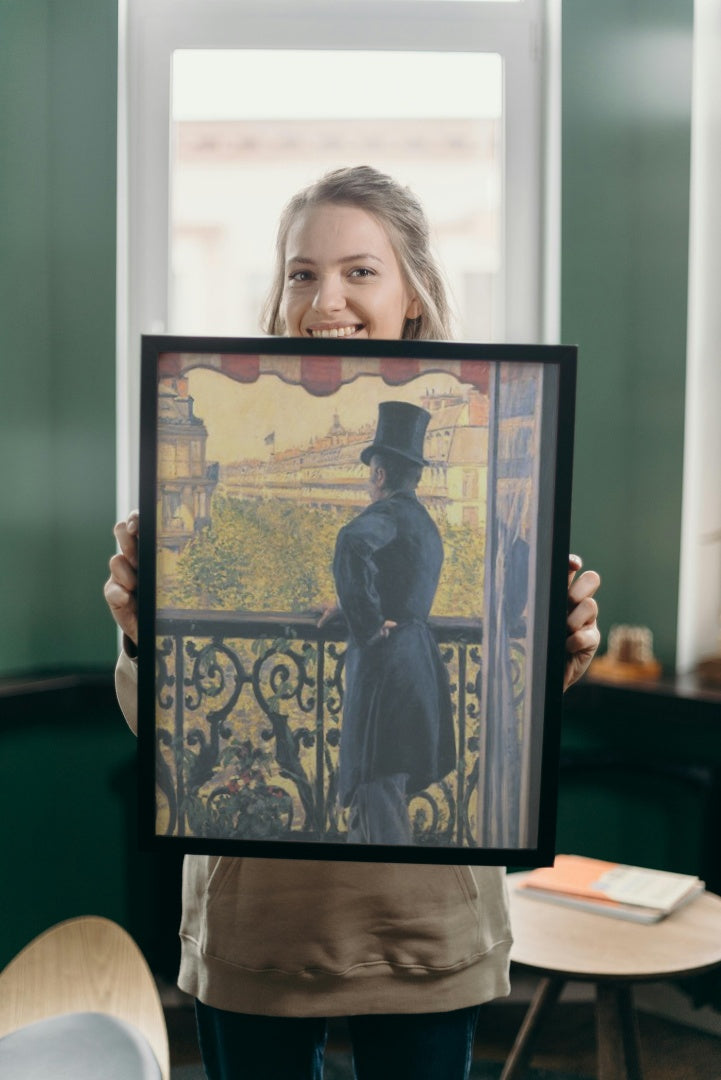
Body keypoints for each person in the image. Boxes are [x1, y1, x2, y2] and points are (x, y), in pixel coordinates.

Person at [105, 166, 601, 1080]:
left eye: (359, 271)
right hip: (259, 925)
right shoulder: (419, 517)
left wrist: (559, 647)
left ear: (412, 292)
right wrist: (143, 636)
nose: (324, 297)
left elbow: (520, 699)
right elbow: (166, 734)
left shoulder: (402, 505)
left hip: (422, 928)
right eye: (301, 272)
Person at [327, 400, 456, 846]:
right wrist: (348, 605)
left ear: (380, 475)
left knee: (377, 797)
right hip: (417, 665)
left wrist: (363, 621)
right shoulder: (423, 522)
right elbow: (399, 585)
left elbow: (351, 545)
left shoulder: (386, 515)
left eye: (371, 475)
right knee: (385, 793)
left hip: (387, 670)